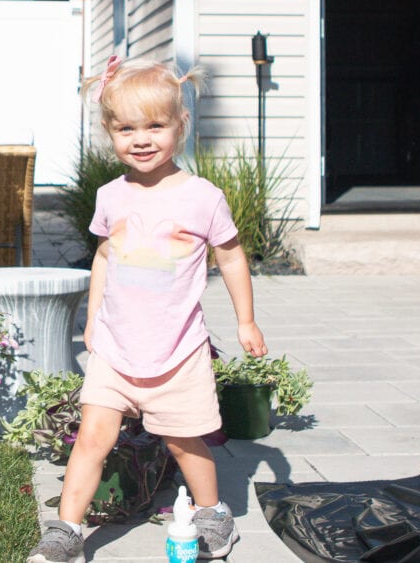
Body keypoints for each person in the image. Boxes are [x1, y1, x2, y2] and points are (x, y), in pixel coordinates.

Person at [26, 56, 267, 563]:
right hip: (116, 347)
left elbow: (232, 257)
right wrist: (92, 317)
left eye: (155, 126)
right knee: (92, 437)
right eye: (126, 128)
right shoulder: (111, 195)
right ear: (110, 131)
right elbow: (104, 256)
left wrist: (245, 320)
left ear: (181, 125)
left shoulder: (203, 197)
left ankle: (212, 513)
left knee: (185, 443)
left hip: (177, 350)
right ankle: (67, 531)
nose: (141, 138)